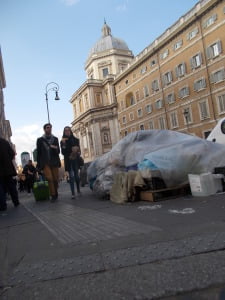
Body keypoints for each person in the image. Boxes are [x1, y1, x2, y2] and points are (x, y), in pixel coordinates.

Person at [36, 123, 61, 202]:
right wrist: (39, 165)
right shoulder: (40, 140)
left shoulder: (55, 139)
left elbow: (58, 151)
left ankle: (55, 192)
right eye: (47, 127)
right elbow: (39, 153)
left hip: (54, 162)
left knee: (55, 179)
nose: (49, 129)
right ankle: (53, 195)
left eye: (50, 128)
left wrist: (55, 148)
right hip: (45, 163)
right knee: (49, 179)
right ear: (44, 129)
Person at [60, 126, 81, 199]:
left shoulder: (75, 139)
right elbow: (63, 152)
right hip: (68, 160)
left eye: (68, 130)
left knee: (77, 176)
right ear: (64, 132)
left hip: (75, 160)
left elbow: (79, 150)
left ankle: (78, 188)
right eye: (65, 131)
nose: (67, 132)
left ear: (70, 131)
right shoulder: (62, 141)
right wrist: (64, 145)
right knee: (71, 176)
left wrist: (77, 150)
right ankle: (73, 193)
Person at [0, 137, 20, 211]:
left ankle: (2, 205)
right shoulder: (4, 142)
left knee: (0, 188)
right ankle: (16, 202)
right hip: (8, 169)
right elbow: (12, 154)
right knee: (11, 186)